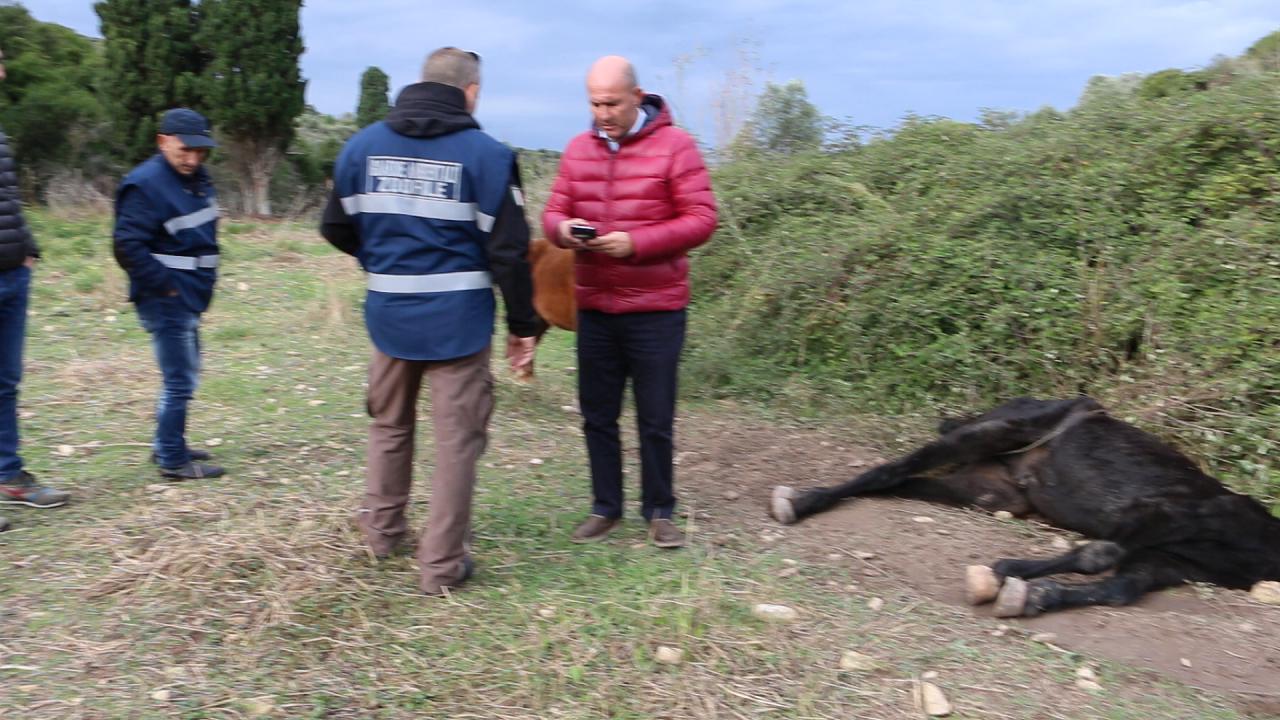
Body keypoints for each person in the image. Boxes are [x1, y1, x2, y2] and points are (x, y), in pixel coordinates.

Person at [321, 47, 538, 596]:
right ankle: (440, 566)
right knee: (457, 442)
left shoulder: (360, 147)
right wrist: (522, 323)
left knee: (389, 426)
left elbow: (335, 226)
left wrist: (382, 260)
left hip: (389, 316)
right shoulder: (488, 156)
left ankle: (381, 534)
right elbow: (510, 253)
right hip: (458, 326)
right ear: (471, 91)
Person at [542, 56, 718, 549]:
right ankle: (606, 508)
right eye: (594, 103)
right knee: (597, 414)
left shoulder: (676, 147)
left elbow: (703, 218)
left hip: (656, 308)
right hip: (595, 308)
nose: (603, 113)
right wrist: (564, 232)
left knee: (655, 416)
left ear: (637, 97)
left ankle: (660, 511)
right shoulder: (577, 150)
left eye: (612, 103)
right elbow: (553, 211)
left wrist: (636, 243)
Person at [112, 108, 224, 480]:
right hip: (167, 298)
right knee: (180, 379)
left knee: (185, 373)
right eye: (184, 151)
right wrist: (167, 287)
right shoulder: (145, 184)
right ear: (163, 142)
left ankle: (168, 442)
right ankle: (174, 461)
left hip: (189, 294)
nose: (193, 159)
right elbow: (127, 246)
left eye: (200, 151)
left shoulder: (195, 178)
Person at [0, 47, 71, 528]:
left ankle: (8, 477)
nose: (3, 71)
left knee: (5, 384)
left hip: (11, 274)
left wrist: (27, 249)